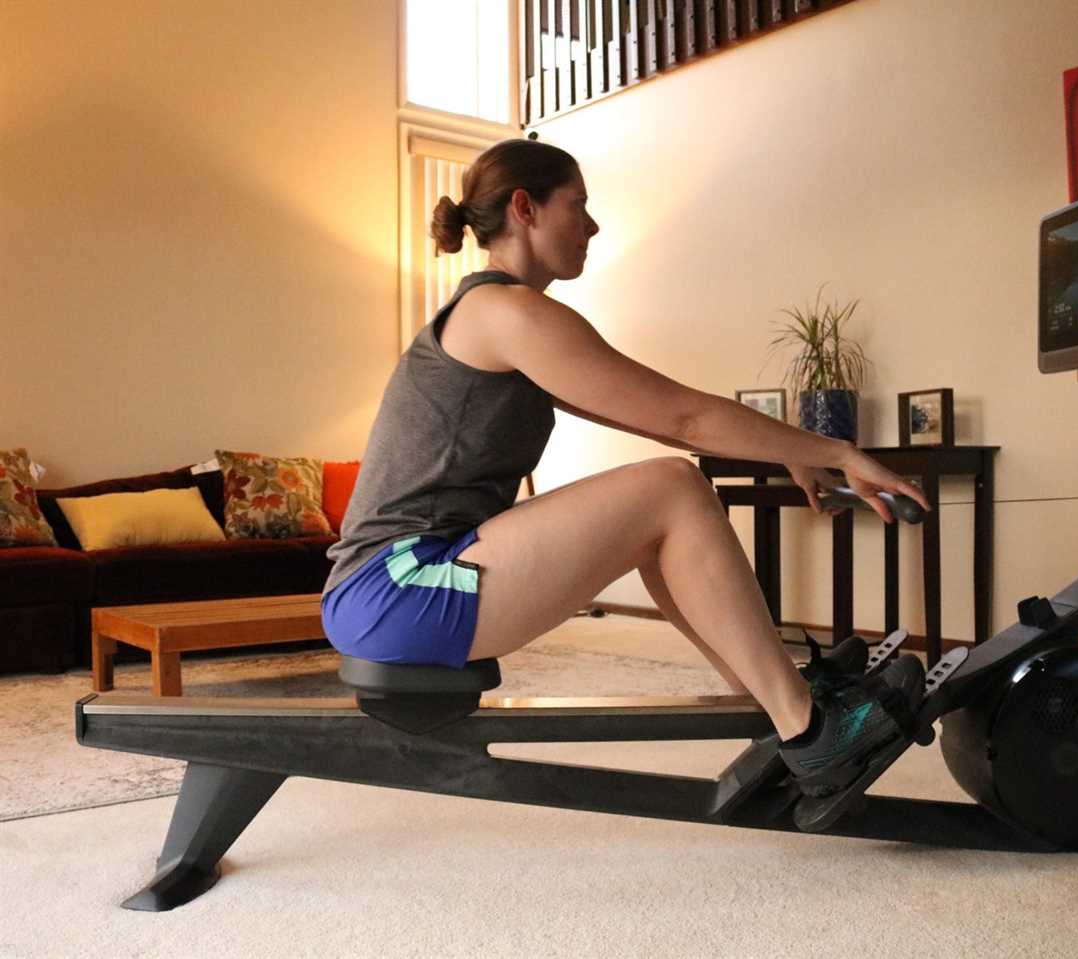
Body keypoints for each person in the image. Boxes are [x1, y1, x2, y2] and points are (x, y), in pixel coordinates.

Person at [322, 138, 932, 798]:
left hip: (402, 581)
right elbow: (684, 421)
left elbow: (653, 411)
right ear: (525, 208)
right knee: (671, 487)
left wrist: (787, 448)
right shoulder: (506, 313)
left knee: (657, 514)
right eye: (578, 206)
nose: (592, 225)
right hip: (396, 588)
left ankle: (772, 700)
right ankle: (815, 734)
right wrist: (839, 450)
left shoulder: (499, 314)